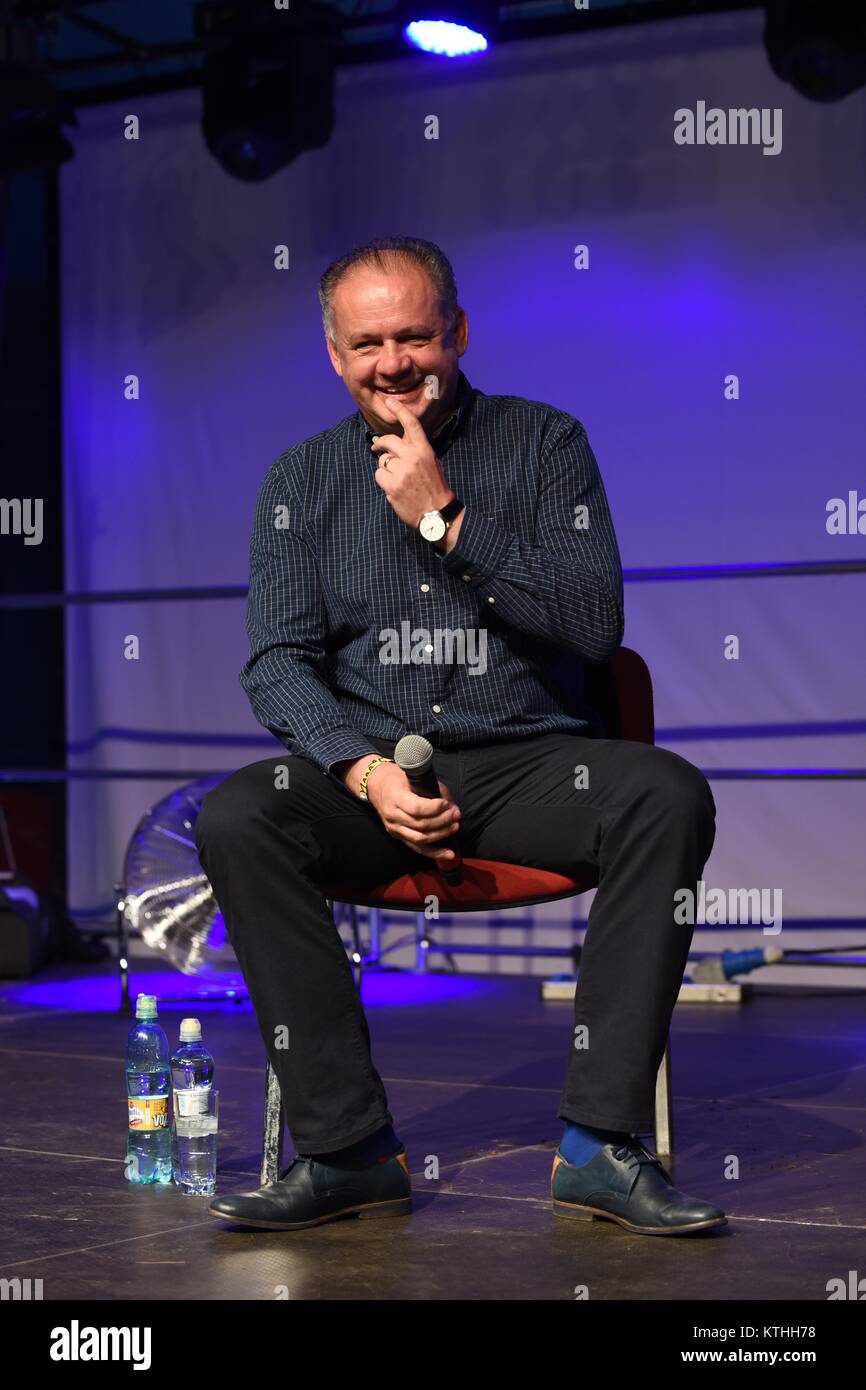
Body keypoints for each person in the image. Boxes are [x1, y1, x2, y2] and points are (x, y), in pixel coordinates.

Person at [197, 235, 725, 1237]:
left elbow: (591, 627)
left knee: (665, 792)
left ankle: (597, 1148)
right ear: (334, 356)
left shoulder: (545, 444)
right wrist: (358, 772)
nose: (392, 362)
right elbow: (276, 663)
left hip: (531, 764)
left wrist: (444, 518)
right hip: (373, 781)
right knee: (236, 817)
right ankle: (346, 1150)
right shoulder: (299, 482)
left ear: (458, 333)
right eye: (367, 344)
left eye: (413, 336)